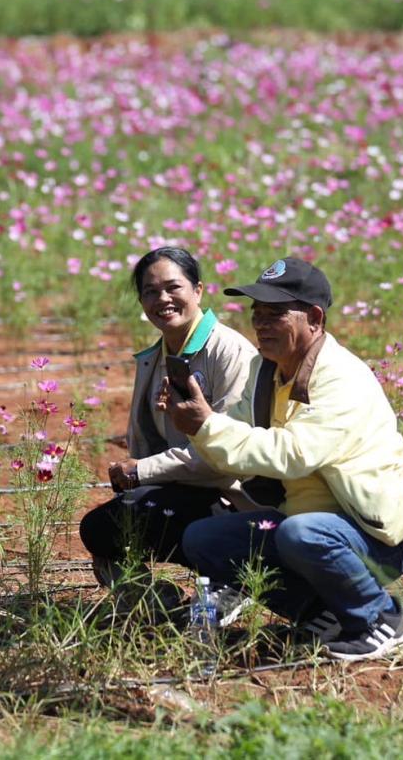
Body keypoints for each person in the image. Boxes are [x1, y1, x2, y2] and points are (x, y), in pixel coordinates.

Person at [164, 257, 403, 661]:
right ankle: (323, 614)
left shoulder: (342, 378)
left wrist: (206, 426)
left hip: (372, 534)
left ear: (313, 317)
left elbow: (293, 454)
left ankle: (381, 620)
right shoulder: (265, 370)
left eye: (275, 314)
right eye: (257, 314)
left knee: (301, 534)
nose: (261, 324)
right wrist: (198, 424)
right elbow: (234, 450)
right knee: (205, 539)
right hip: (310, 525)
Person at [77, 247, 265, 610]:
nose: (162, 299)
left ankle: (234, 575)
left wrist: (142, 471)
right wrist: (138, 477)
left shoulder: (228, 352)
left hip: (233, 495)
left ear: (198, 290)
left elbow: (229, 453)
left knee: (133, 521)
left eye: (172, 287)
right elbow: (147, 442)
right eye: (149, 291)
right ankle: (155, 603)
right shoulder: (156, 357)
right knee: (104, 528)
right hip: (186, 487)